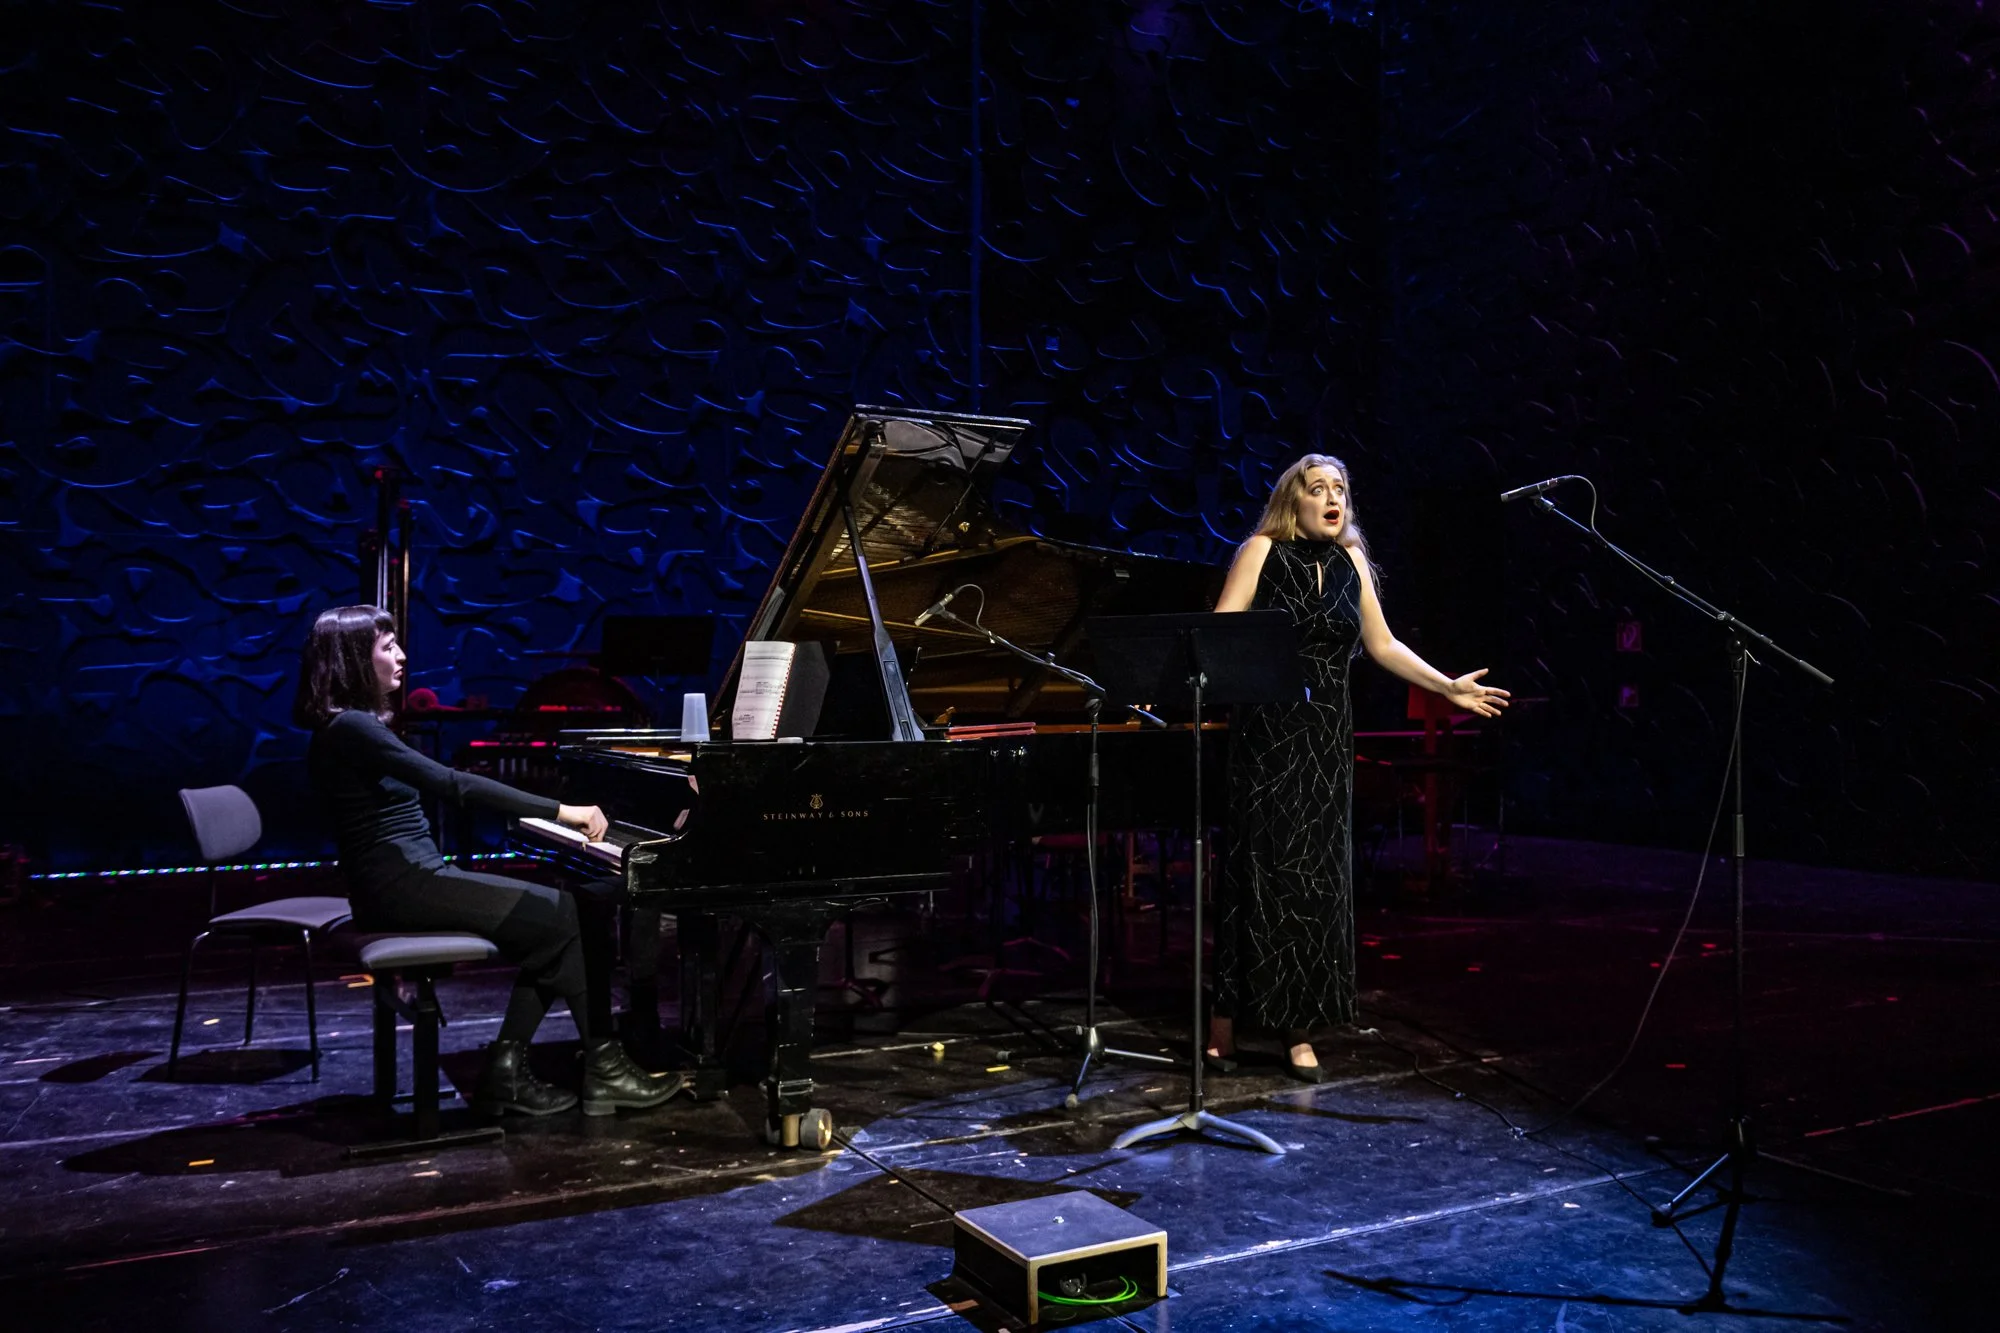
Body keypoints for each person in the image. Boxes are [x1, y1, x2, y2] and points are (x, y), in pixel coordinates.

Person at [295, 605, 682, 1117]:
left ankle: (538, 1068)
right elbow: (454, 785)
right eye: (387, 647)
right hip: (399, 884)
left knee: (563, 915)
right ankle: (585, 1068)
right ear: (351, 660)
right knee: (563, 917)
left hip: (405, 877)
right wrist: (561, 810)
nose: (402, 655)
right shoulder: (350, 729)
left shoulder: (356, 726)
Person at [1208, 455, 1508, 1082]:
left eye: (1339, 489)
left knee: (1315, 880)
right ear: (1294, 502)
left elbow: (1383, 644)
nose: (1331, 498)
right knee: (1257, 874)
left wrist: (1445, 686)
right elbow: (1220, 632)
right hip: (1266, 735)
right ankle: (1225, 1025)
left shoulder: (1351, 564)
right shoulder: (1261, 550)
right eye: (1317, 489)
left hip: (1323, 743)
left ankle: (1298, 1027)